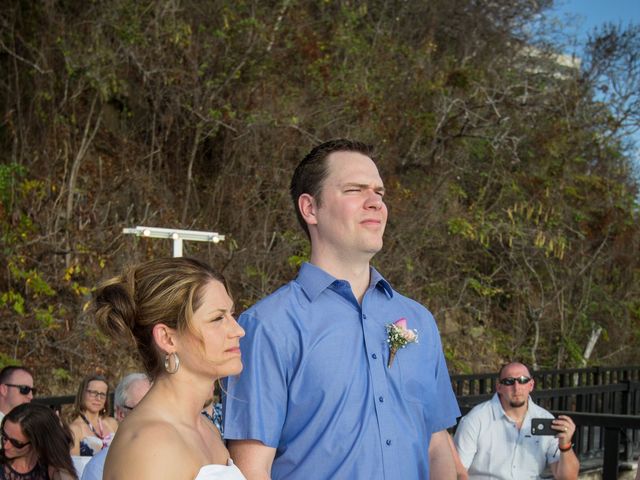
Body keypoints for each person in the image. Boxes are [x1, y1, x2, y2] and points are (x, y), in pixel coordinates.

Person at [223, 139, 461, 479]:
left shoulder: (420, 320)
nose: (375, 202)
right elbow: (251, 471)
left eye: (379, 192)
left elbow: (437, 446)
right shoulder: (266, 327)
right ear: (310, 208)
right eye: (355, 190)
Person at [94, 257, 246, 480]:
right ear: (167, 338)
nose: (238, 330)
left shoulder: (206, 428)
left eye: (231, 315)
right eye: (217, 319)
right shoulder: (151, 445)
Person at [453, 361, 580, 479]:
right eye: (509, 381)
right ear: (499, 387)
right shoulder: (476, 420)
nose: (517, 387)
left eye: (523, 380)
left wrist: (565, 445)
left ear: (531, 385)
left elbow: (568, 478)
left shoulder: (545, 419)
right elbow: (458, 472)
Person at [81, 373, 151, 480]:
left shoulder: (175, 454)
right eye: (141, 409)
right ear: (121, 414)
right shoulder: (99, 467)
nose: (98, 398)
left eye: (102, 394)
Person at [0, 402, 77, 479]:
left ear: (36, 442)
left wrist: (58, 442)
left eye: (16, 443)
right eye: (4, 436)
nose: (6, 446)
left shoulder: (49, 467)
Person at [68, 374, 118, 456]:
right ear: (82, 394)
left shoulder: (112, 424)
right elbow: (75, 466)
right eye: (93, 393)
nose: (98, 398)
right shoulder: (74, 430)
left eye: (102, 394)